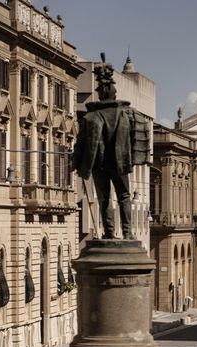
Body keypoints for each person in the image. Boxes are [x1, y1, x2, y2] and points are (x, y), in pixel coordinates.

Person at [72, 53, 150, 240]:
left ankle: (108, 232)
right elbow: (137, 140)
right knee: (124, 196)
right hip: (120, 162)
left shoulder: (90, 118)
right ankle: (128, 233)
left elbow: (80, 145)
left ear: (100, 93)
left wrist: (79, 165)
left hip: (99, 164)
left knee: (104, 197)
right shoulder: (128, 114)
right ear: (114, 93)